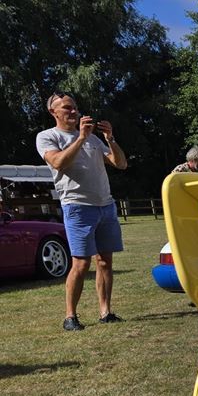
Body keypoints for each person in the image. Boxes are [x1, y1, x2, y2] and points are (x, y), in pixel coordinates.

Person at [35, 92, 128, 331]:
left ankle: (105, 312)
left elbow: (120, 164)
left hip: (105, 205)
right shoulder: (48, 137)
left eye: (74, 107)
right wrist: (81, 138)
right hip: (77, 207)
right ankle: (70, 317)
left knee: (105, 262)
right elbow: (58, 163)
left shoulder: (94, 140)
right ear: (53, 112)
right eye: (67, 108)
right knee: (80, 263)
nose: (73, 111)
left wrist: (110, 139)